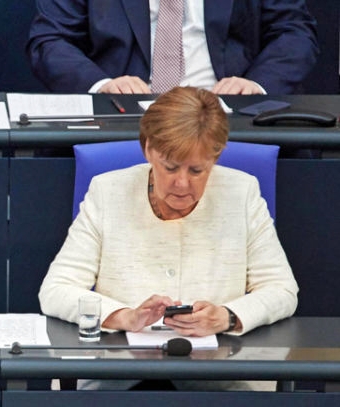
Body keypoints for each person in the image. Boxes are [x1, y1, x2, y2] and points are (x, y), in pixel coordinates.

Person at [38, 87, 298, 388]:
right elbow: (56, 290)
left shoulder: (242, 192)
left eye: (197, 170)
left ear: (216, 155)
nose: (182, 184)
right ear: (148, 149)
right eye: (170, 167)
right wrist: (123, 316)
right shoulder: (107, 191)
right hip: (117, 378)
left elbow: (281, 290)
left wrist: (227, 317)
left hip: (221, 379)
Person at [26, 0, 319, 95]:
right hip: (123, 115)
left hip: (226, 112)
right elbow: (50, 39)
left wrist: (255, 85)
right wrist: (103, 85)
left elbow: (294, 32)